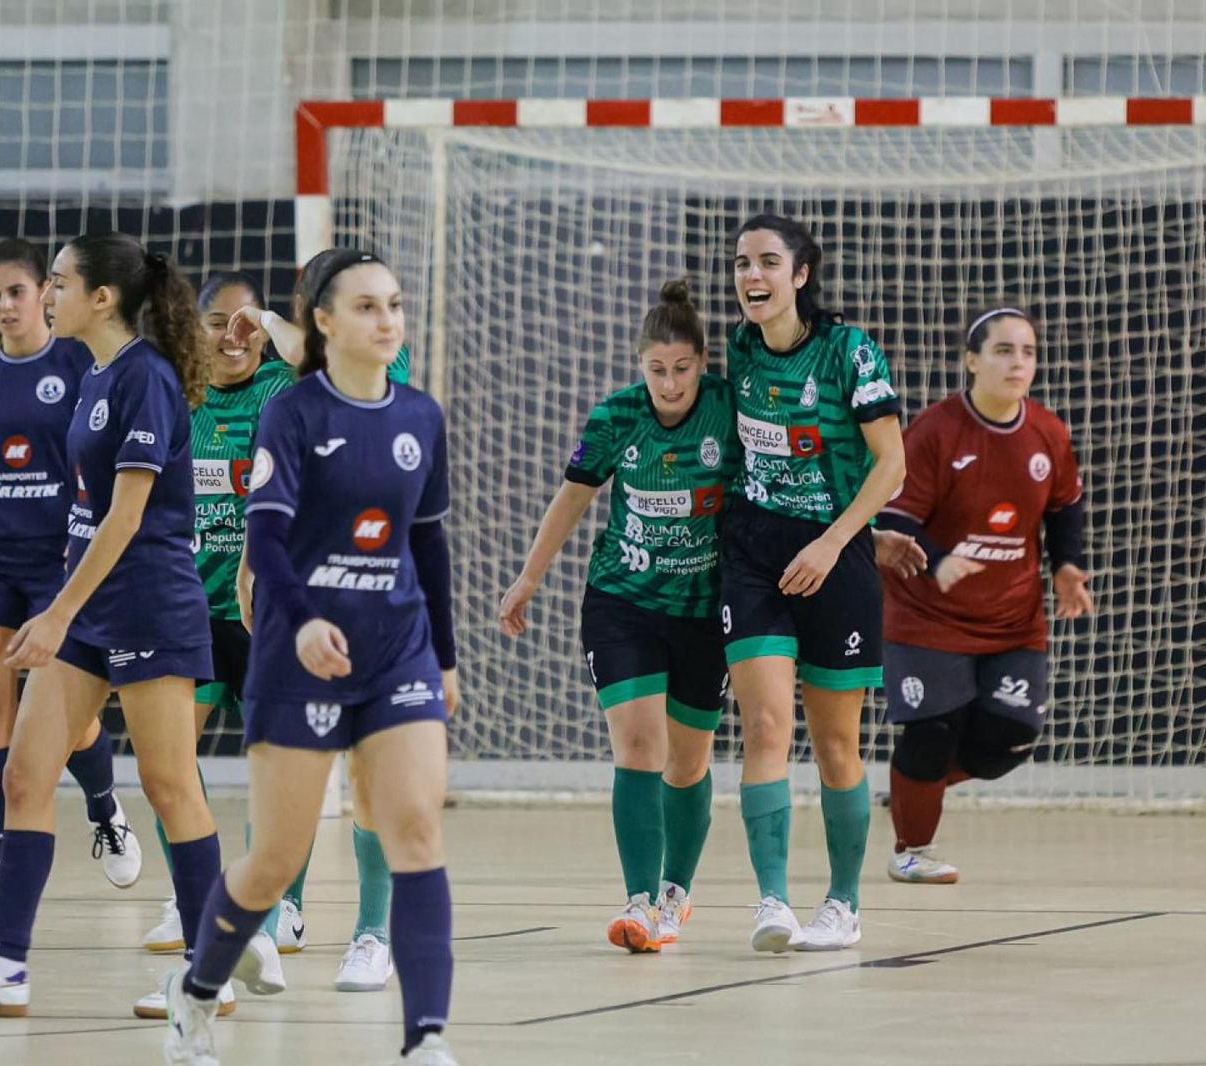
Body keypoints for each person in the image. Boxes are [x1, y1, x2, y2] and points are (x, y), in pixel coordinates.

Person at [0, 233, 224, 1018]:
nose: (45, 293)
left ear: (101, 298)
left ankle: (205, 976)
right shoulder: (96, 373)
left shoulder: (142, 377)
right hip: (90, 608)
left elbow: (125, 517)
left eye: (57, 281)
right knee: (23, 774)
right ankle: (2, 969)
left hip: (146, 598)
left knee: (170, 786)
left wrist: (56, 611)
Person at [163, 249, 460, 1066]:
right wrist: (295, 623)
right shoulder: (291, 414)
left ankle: (426, 1037)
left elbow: (427, 545)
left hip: (396, 651)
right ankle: (193, 995)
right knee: (273, 862)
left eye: (393, 304)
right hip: (301, 657)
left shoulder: (420, 417)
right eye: (365, 306)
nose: (386, 320)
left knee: (415, 830)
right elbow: (266, 538)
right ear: (323, 323)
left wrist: (446, 655)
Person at [500, 280, 735, 953]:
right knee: (638, 745)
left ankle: (674, 897)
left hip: (700, 607)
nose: (669, 384)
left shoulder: (726, 409)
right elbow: (572, 498)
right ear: (641, 366)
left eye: (682, 369)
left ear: (703, 362)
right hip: (622, 601)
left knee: (687, 764)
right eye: (656, 370)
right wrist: (529, 576)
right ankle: (637, 901)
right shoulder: (616, 416)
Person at [720, 214, 914, 953]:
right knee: (766, 726)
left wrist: (843, 541)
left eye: (768, 262)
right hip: (754, 554)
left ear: (801, 275)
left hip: (835, 554)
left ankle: (843, 903)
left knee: (837, 742)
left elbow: (890, 464)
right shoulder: (736, 351)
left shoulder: (847, 351)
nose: (751, 276)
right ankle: (771, 900)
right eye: (741, 263)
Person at [0, 238, 138, 905]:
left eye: (16, 291)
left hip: (60, 561)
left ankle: (104, 808)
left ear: (46, 293)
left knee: (68, 719)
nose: (5, 306)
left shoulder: (80, 362)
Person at [221, 252, 406, 993]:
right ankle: (270, 923)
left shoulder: (384, 380)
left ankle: (372, 935)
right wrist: (247, 569)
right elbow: (266, 505)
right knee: (282, 774)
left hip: (371, 602)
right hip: (297, 604)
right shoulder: (283, 405)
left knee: (367, 779)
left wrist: (265, 318)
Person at [876, 305, 1093, 883]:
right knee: (932, 731)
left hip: (1013, 620)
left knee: (1009, 741)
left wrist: (1068, 566)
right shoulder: (935, 431)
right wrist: (941, 562)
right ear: (972, 361)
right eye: (1003, 350)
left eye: (1027, 351)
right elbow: (897, 517)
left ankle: (913, 785)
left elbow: (1064, 505)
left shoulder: (1048, 431)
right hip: (928, 615)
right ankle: (912, 849)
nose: (1017, 362)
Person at [138, 273, 293, 1001]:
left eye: (244, 325)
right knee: (171, 756)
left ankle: (280, 903)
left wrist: (263, 320)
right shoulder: (176, 400)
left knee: (278, 762)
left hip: (264, 613)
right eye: (216, 323)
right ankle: (192, 889)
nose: (231, 337)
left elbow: (311, 362)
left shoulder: (277, 393)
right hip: (190, 612)